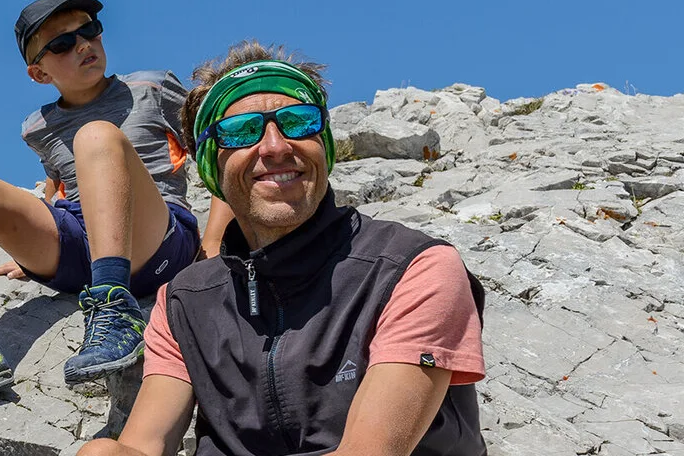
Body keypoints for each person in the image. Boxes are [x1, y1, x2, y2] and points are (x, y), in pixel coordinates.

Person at [77, 43, 486, 456]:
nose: (275, 146)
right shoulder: (185, 301)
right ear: (209, 166)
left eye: (298, 122)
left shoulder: (409, 267)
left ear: (322, 143)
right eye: (240, 131)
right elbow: (144, 444)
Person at [0, 0, 201, 407]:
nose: (82, 45)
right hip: (81, 246)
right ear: (39, 73)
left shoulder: (151, 87)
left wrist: (219, 240)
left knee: (95, 135)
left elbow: (220, 154)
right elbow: (56, 185)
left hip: (155, 240)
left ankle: (115, 309)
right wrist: (31, 249)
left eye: (89, 30)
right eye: (61, 44)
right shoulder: (38, 126)